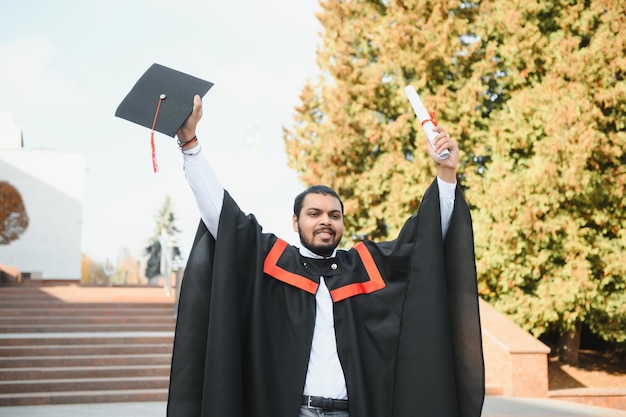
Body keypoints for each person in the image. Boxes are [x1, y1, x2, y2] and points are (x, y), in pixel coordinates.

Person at [166, 95, 484, 417]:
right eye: (314, 213)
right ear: (296, 221)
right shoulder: (273, 262)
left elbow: (424, 244)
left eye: (334, 215)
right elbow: (223, 218)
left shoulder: (363, 267)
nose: (325, 222)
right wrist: (190, 144)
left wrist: (446, 174)